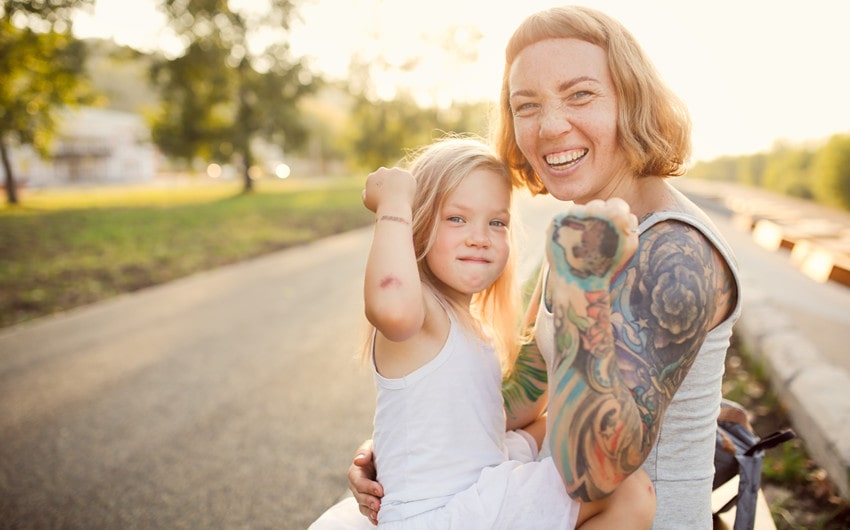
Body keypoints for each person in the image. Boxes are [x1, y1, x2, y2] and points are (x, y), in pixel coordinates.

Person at [348, 6, 741, 530]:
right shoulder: (583, 231)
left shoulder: (675, 253)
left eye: (580, 94)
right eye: (526, 105)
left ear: (632, 101)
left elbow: (593, 476)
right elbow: (519, 400)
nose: (551, 126)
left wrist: (583, 281)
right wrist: (412, 443)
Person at [310, 136, 655, 529]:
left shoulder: (473, 327)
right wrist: (393, 205)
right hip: (438, 514)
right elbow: (389, 302)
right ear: (418, 224)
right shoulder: (421, 313)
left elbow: (479, 425)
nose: (480, 236)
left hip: (472, 495)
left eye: (497, 222)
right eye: (457, 218)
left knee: (597, 475)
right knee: (627, 492)